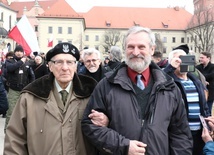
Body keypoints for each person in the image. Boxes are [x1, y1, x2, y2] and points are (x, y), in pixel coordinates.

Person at [81, 26, 193, 155]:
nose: (135, 52)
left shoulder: (170, 88)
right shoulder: (107, 85)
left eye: (141, 47)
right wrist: (123, 145)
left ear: (152, 49)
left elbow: (181, 135)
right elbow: (89, 125)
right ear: (125, 50)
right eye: (130, 47)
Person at [3, 42, 107, 155]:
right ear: (50, 66)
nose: (65, 68)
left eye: (70, 62)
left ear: (76, 66)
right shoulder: (30, 96)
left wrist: (107, 120)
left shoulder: (91, 93)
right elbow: (15, 141)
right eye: (59, 62)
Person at [164, 48, 210, 155]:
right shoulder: (168, 80)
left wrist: (208, 123)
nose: (182, 62)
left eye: (184, 58)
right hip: (179, 134)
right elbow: (157, 81)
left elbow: (204, 106)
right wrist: (169, 67)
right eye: (178, 59)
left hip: (199, 133)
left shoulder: (195, 80)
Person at [4, 45, 35, 129]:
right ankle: (8, 131)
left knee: (24, 112)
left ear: (23, 53)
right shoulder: (9, 61)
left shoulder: (27, 62)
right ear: (15, 52)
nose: (19, 53)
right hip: (13, 90)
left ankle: (21, 132)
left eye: (21, 51)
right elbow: (10, 68)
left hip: (24, 90)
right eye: (17, 51)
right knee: (11, 112)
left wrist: (31, 87)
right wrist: (21, 62)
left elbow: (31, 76)